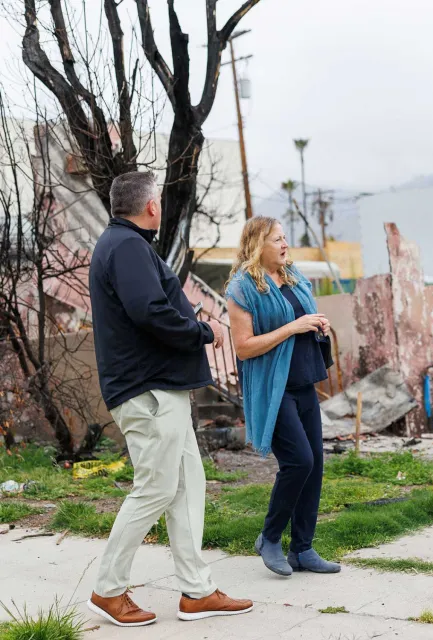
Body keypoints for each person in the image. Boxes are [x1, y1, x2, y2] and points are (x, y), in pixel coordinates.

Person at [87, 171, 253, 627]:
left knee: (186, 486)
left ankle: (197, 591)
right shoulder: (126, 247)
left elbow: (148, 308)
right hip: (149, 392)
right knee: (157, 487)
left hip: (159, 389)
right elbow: (150, 311)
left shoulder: (124, 246)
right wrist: (203, 330)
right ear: (151, 206)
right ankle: (108, 589)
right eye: (158, 198)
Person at [225, 216, 341, 576]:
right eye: (277, 239)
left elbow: (302, 316)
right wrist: (292, 327)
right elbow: (243, 349)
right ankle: (270, 538)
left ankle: (303, 549)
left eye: (284, 238)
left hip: (304, 381)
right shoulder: (242, 289)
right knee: (299, 462)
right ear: (258, 244)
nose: (284, 244)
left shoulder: (294, 277)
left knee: (315, 465)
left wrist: (316, 323)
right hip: (273, 390)